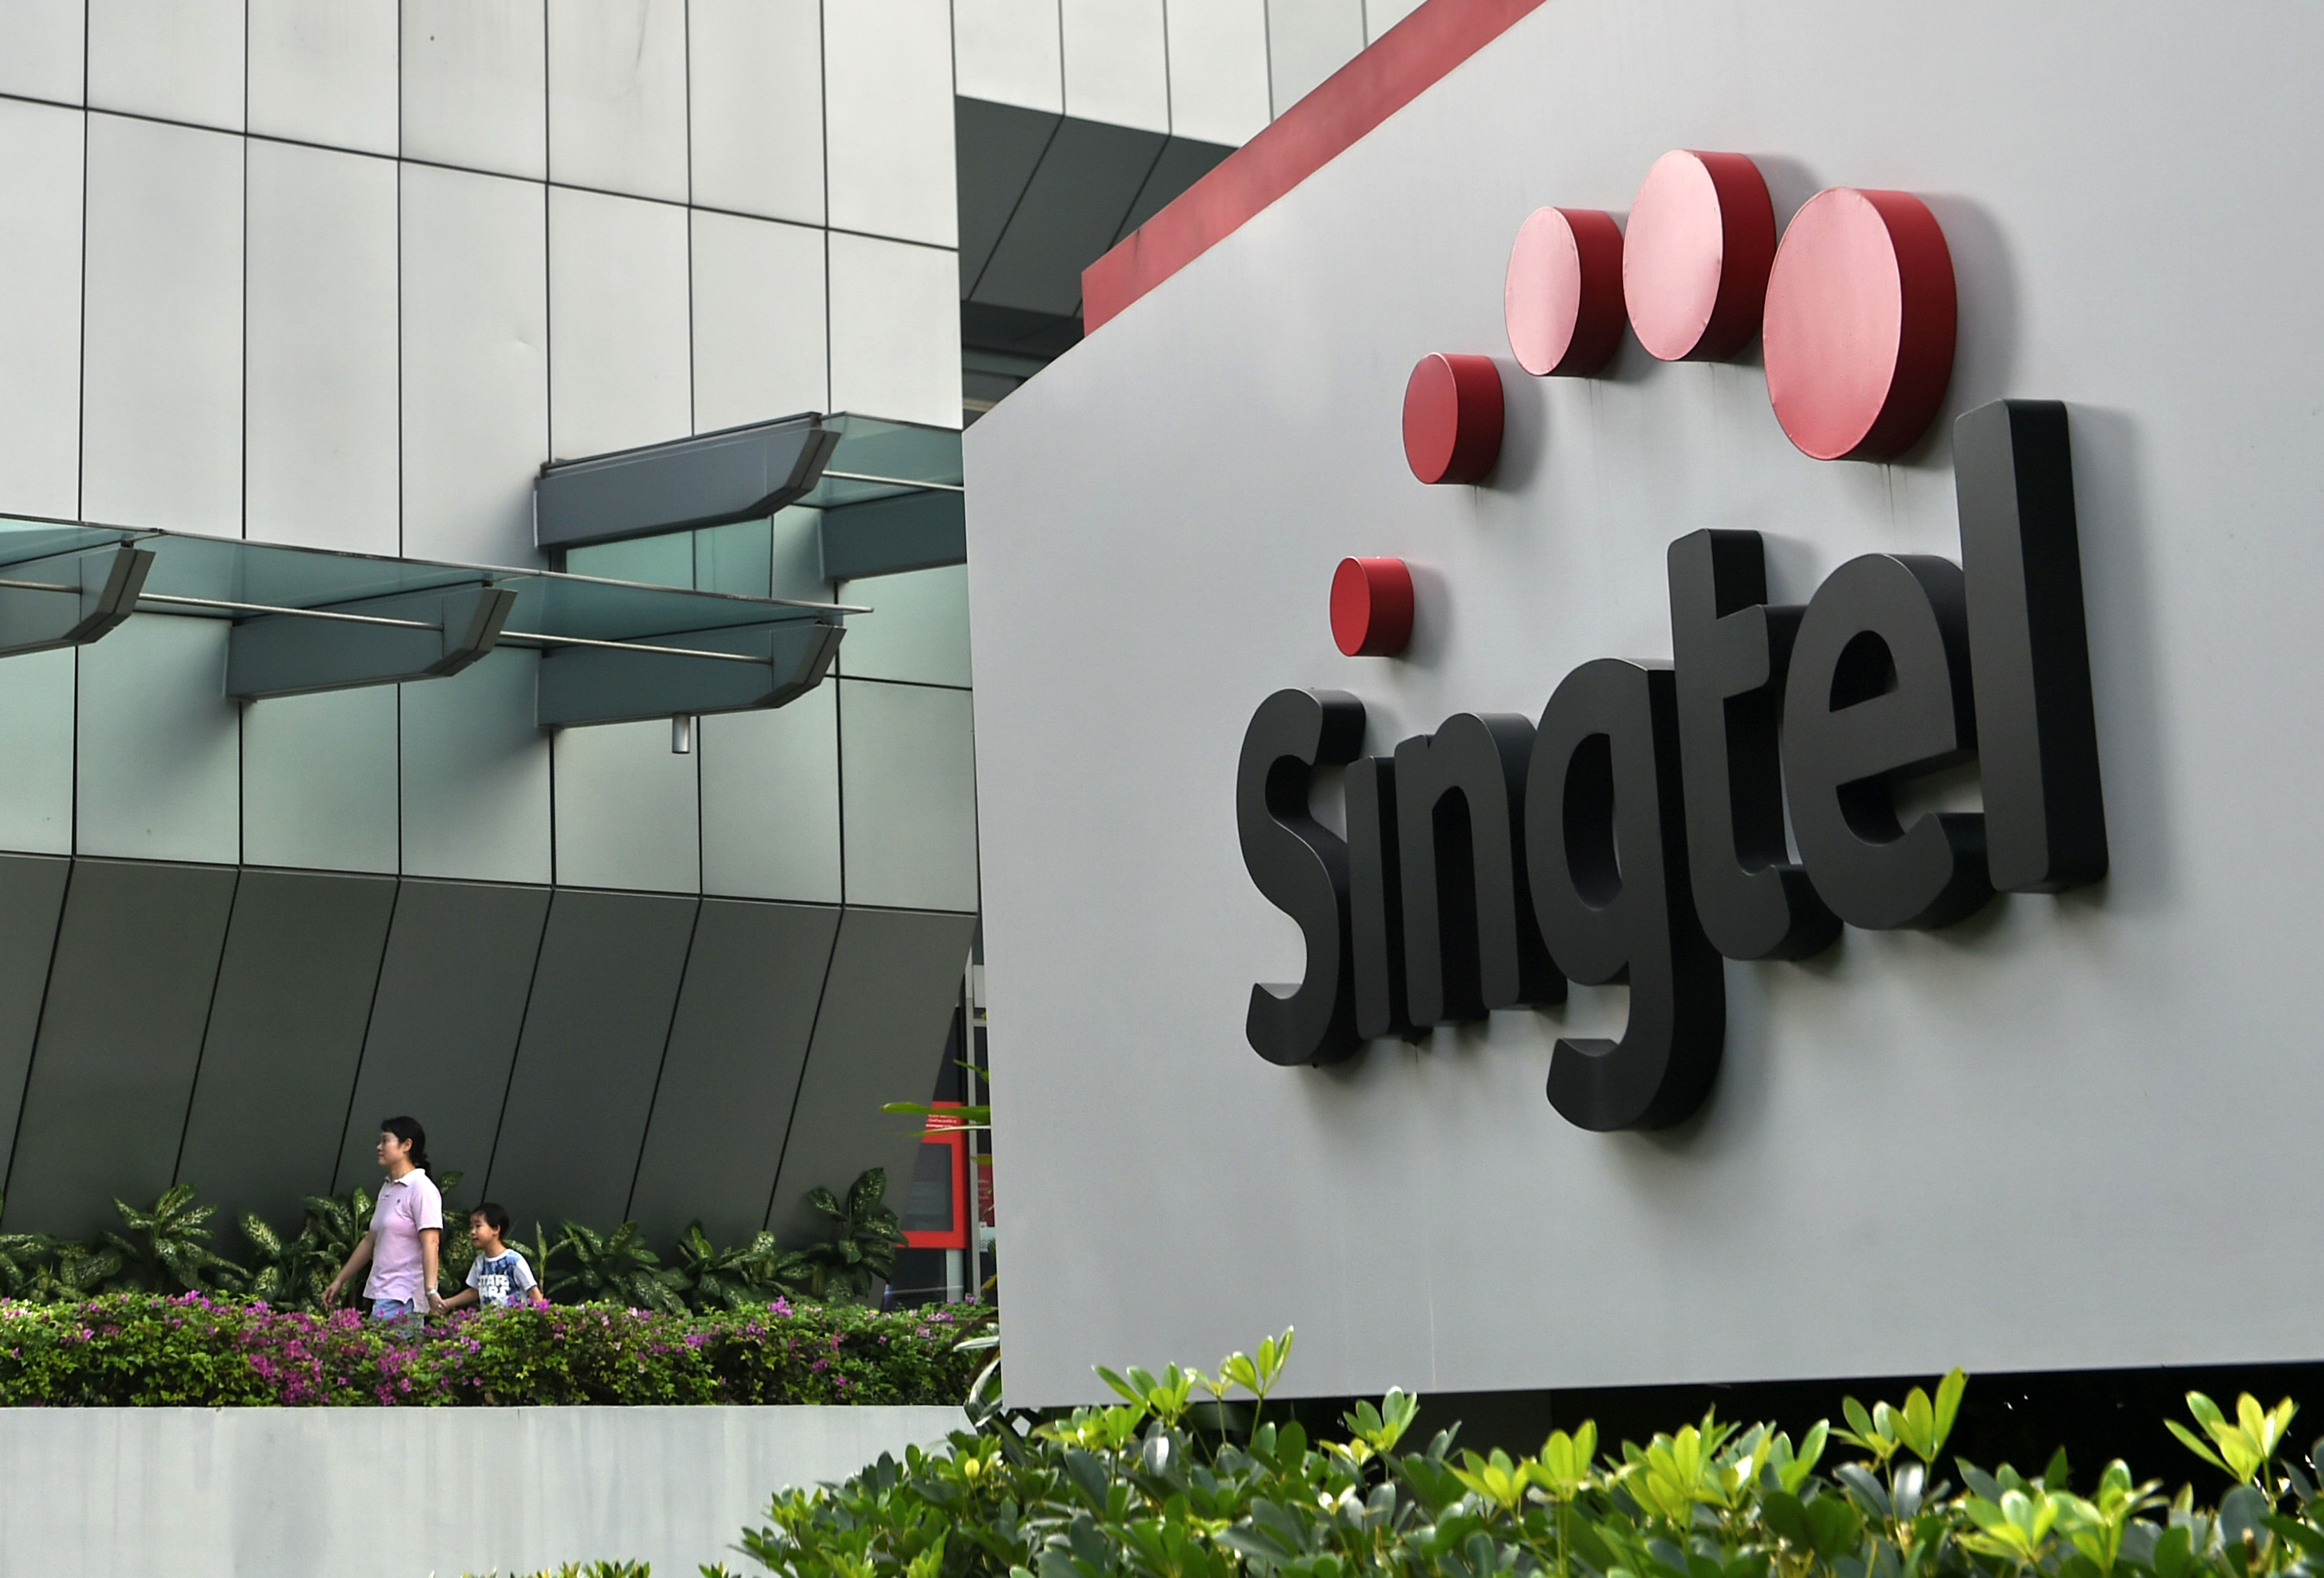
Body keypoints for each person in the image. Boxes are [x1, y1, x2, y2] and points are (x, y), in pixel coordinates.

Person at [324, 1116, 443, 1325]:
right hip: (382, 1294)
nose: (379, 1147)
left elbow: (431, 1242)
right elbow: (370, 1241)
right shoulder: (388, 1187)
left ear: (407, 1145)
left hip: (403, 1298)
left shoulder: (421, 1188)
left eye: (385, 1140)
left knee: (387, 1356)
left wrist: (431, 1290)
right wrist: (340, 1280)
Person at [434, 1202, 545, 1314]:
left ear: (496, 1229)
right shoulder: (479, 1262)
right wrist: (447, 1303)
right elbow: (474, 1291)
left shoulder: (514, 1261)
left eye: (478, 1226)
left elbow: (532, 1291)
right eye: (471, 1227)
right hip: (489, 1327)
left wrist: (542, 1319)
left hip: (514, 1326)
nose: (473, 1232)